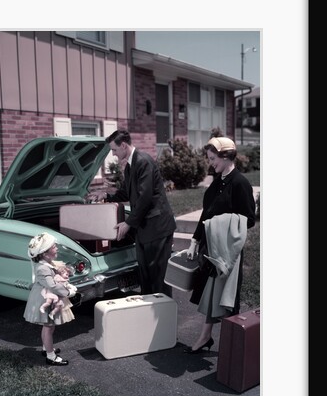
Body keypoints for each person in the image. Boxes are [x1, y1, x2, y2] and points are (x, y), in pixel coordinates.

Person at [184, 135, 256, 354]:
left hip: (227, 250)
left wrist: (219, 224)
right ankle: (206, 337)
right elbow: (207, 214)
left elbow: (249, 219)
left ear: (226, 157)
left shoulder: (240, 183)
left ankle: (231, 345)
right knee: (211, 291)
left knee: (227, 297)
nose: (211, 162)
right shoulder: (218, 181)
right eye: (209, 158)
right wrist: (195, 239)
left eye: (213, 158)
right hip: (211, 247)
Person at [86, 129, 176, 296]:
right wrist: (106, 194)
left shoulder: (143, 161)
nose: (112, 154)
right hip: (145, 228)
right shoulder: (130, 165)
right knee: (145, 274)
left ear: (124, 145)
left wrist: (128, 223)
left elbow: (145, 198)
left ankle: (163, 315)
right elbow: (128, 193)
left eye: (114, 149)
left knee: (157, 276)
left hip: (157, 227)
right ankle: (149, 310)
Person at [23, 232, 76, 366]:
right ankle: (50, 356)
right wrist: (68, 292)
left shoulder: (47, 264)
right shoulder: (43, 268)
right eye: (53, 247)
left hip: (48, 296)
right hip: (45, 298)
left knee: (49, 327)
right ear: (45, 253)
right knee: (48, 327)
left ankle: (47, 348)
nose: (56, 248)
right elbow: (52, 285)